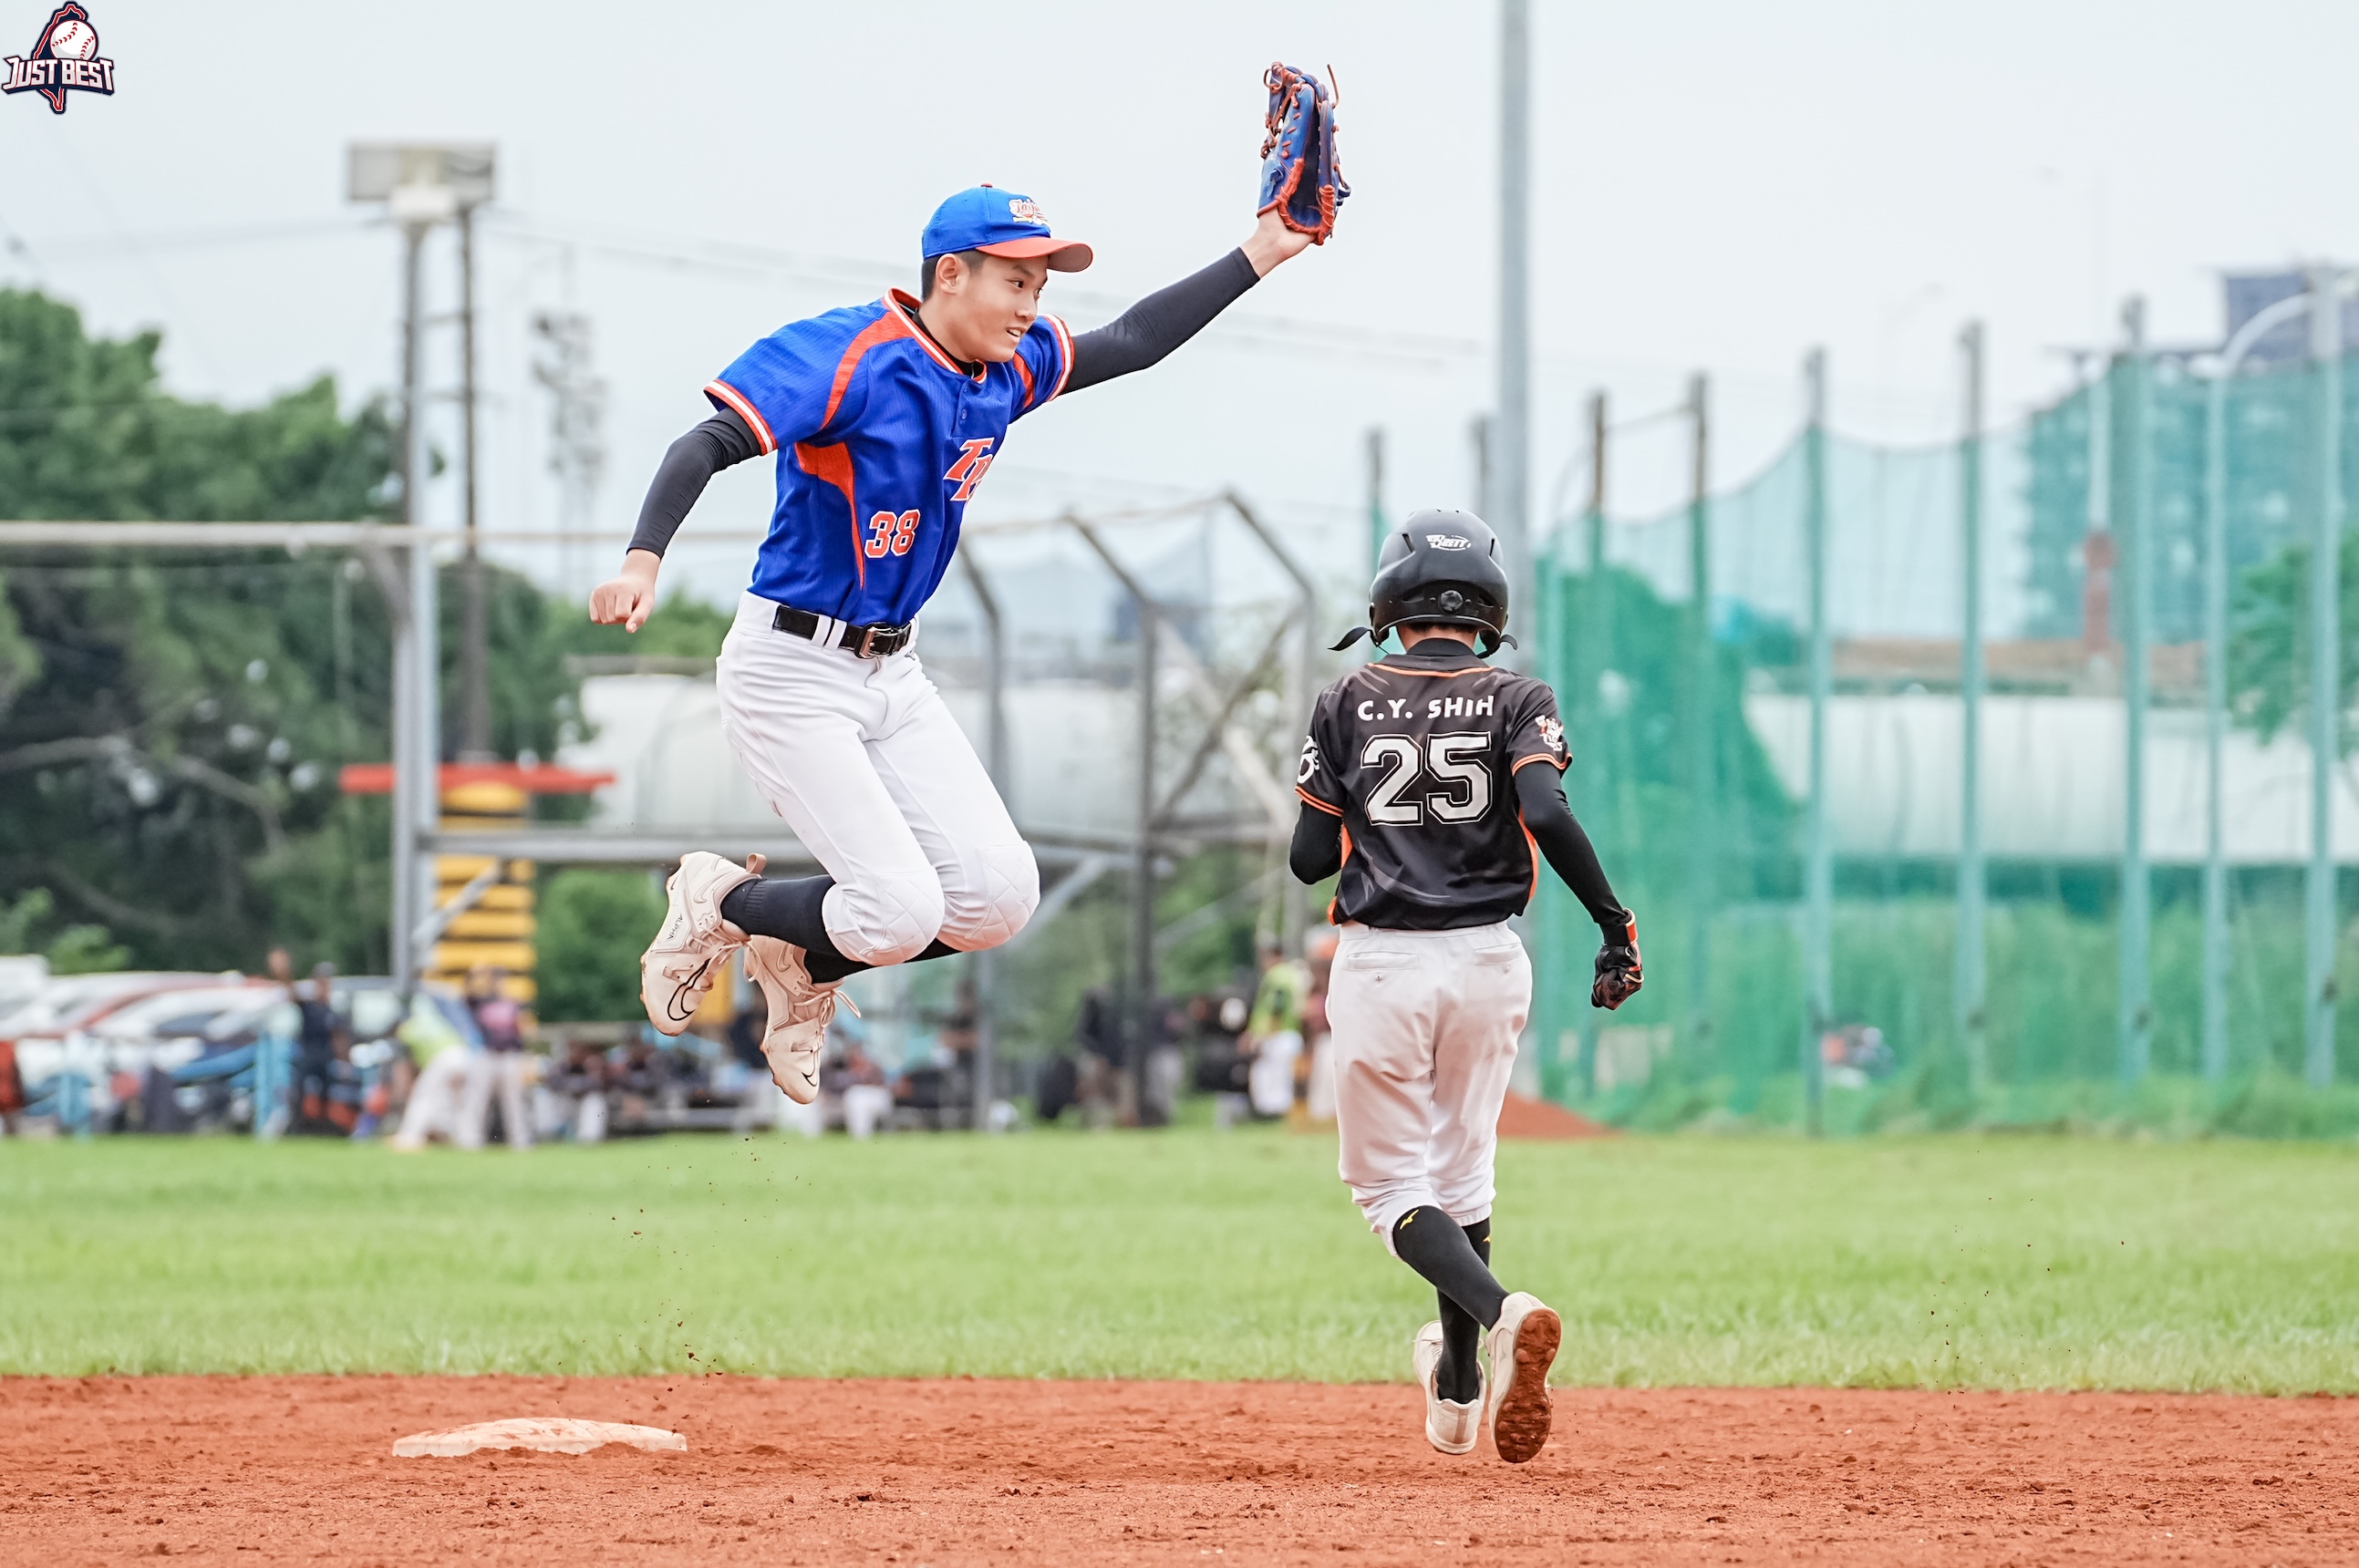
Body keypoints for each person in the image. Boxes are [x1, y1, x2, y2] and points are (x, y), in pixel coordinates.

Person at [593, 184, 1325, 1109]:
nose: (1032, 306)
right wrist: (642, 559)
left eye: (1040, 286)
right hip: (790, 670)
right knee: (897, 910)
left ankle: (797, 953)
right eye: (1016, 281)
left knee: (996, 898)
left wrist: (1264, 247)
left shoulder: (1001, 372)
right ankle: (721, 902)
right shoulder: (851, 354)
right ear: (950, 273)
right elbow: (707, 441)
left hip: (891, 671)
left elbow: (1136, 341)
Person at [1288, 511, 1643, 1466]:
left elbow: (1308, 860)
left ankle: (1500, 1312)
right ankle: (1455, 1388)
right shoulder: (1518, 695)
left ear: (1388, 607)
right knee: (1464, 1171)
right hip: (1489, 956)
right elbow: (1544, 810)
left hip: (1385, 959)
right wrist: (1612, 923)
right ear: (1489, 611)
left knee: (1388, 1188)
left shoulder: (1345, 698)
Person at [455, 965, 533, 1151]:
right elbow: (464, 995)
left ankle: (520, 1141)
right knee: (477, 1099)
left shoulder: (514, 1003)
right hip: (486, 1054)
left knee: (514, 1100)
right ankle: (470, 1139)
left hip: (509, 1055)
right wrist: (475, 974)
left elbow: (523, 1030)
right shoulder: (481, 1001)